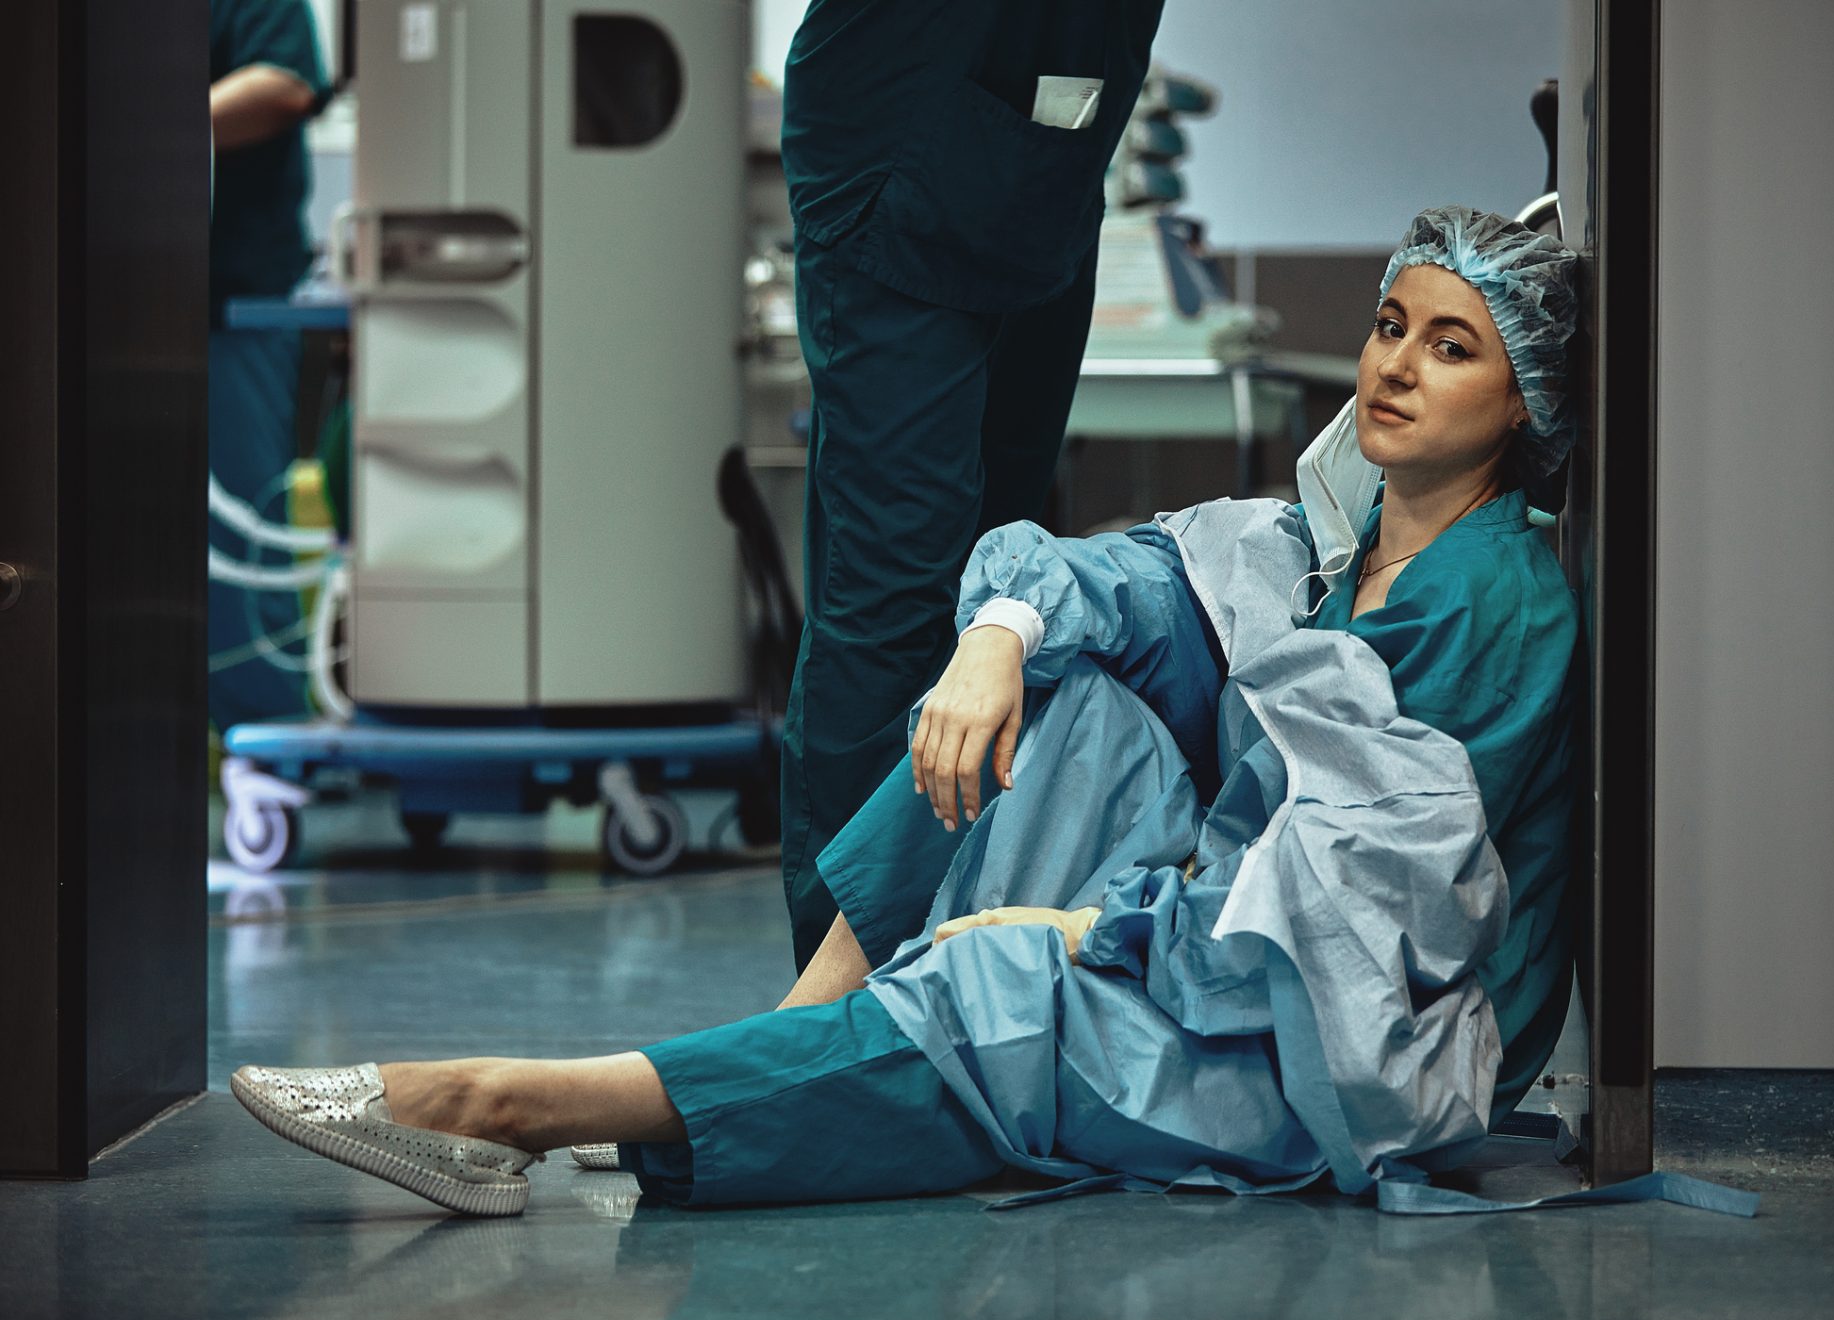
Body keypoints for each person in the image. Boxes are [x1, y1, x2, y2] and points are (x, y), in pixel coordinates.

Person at [233, 207, 1583, 1219]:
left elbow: (1333, 924)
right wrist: (997, 637)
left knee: (1008, 984)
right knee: (1058, 687)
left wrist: (1077, 927)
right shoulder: (1330, 552)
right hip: (1230, 940)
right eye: (1392, 324)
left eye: (1452, 347)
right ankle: (787, 1035)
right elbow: (1110, 581)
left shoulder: (1484, 606)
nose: (1394, 367)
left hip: (1352, 1046)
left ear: (1527, 401)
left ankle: (504, 1106)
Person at [777, 0, 1169, 971]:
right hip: (903, 149)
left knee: (1003, 586)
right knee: (900, 592)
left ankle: (958, 970)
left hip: (1046, 164)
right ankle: (840, 1012)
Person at [208, 0, 330, 733]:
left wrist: (146, 124)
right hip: (109, 296)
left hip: (235, 296)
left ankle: (268, 741)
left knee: (242, 531)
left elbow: (284, 85)